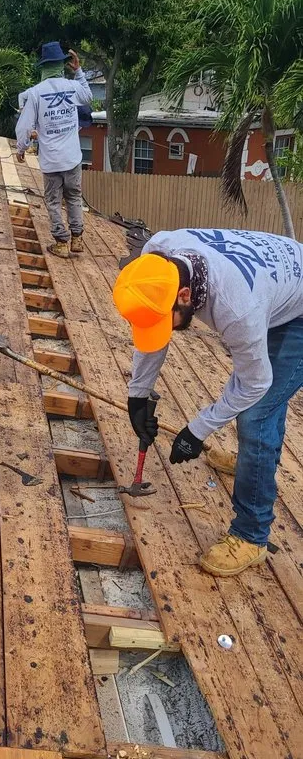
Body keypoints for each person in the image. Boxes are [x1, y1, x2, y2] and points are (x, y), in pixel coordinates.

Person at [113, 227, 303, 576]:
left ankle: (251, 535)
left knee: (257, 415)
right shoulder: (158, 255)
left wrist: (197, 430)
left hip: (297, 308)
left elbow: (255, 384)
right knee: (263, 413)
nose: (161, 329)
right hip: (275, 286)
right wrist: (137, 395)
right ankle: (253, 462)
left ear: (185, 294)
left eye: (164, 319)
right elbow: (154, 335)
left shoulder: (237, 308)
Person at [16, 41, 93, 258]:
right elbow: (88, 96)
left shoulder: (35, 93)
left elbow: (24, 126)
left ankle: (61, 243)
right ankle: (77, 239)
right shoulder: (71, 87)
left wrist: (22, 148)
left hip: (50, 161)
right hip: (73, 158)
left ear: (43, 67)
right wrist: (78, 71)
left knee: (52, 201)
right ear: (61, 64)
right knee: (74, 197)